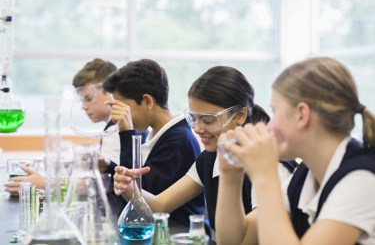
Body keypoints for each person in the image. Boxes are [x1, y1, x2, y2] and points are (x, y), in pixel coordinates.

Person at [112, 65, 294, 236]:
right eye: (194, 119)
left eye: (208, 121)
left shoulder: (270, 165)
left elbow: (250, 239)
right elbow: (160, 205)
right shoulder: (209, 158)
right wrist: (130, 187)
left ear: (240, 115)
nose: (197, 129)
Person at [215, 57, 375, 244]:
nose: (269, 126)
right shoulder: (305, 174)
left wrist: (264, 177)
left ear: (302, 115)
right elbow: (235, 242)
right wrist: (230, 175)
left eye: (274, 112)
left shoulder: (362, 180)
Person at [102, 59, 206, 230]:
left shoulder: (177, 141)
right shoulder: (156, 134)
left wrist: (126, 133)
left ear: (147, 101)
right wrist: (108, 167)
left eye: (124, 107)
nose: (118, 116)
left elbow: (138, 205)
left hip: (177, 234)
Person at [5, 58, 124, 196]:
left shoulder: (116, 130)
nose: (83, 106)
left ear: (110, 92)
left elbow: (102, 184)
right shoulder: (113, 128)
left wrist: (45, 183)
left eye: (89, 98)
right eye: (81, 100)